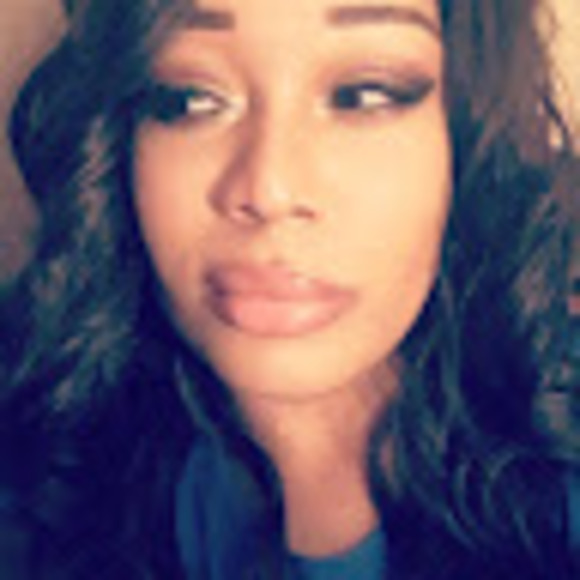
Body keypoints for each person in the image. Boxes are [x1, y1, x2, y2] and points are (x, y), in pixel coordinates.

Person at [0, 0, 578, 578]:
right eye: (189, 98)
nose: (268, 188)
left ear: (467, 139)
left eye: (364, 94)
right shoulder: (40, 459)